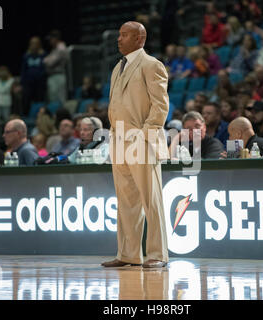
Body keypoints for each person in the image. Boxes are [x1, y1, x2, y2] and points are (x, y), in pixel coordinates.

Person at [102, 21, 169, 269]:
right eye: (118, 34)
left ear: (140, 39)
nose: (118, 39)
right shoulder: (116, 68)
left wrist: (144, 135)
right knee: (126, 201)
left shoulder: (152, 65)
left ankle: (157, 254)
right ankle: (129, 254)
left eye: (124, 35)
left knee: (151, 201)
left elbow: (160, 106)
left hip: (141, 141)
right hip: (118, 141)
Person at [20, 36, 47, 116]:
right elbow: (23, 70)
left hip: (40, 84)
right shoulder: (26, 56)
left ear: (39, 44)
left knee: (39, 101)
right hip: (28, 83)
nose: (34, 45)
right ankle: (26, 117)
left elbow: (45, 69)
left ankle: (39, 116)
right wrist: (22, 83)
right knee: (26, 101)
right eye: (32, 43)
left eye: (36, 43)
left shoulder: (43, 55)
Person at [43, 30, 68, 104]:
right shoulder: (55, 49)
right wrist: (46, 60)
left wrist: (46, 60)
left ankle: (62, 115)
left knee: (61, 99)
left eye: (51, 39)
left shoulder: (61, 48)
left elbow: (49, 62)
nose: (50, 41)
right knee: (53, 99)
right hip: (53, 76)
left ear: (55, 38)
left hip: (58, 76)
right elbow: (46, 60)